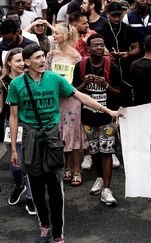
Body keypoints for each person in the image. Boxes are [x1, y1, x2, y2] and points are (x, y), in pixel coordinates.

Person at [7, 43, 120, 243]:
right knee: (36, 188)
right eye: (37, 58)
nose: (42, 61)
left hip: (52, 137)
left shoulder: (55, 79)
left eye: (43, 56)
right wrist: (14, 150)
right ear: (26, 62)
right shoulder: (16, 85)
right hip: (30, 138)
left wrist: (108, 111)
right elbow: (14, 117)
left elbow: (81, 97)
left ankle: (58, 233)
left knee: (55, 187)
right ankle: (44, 226)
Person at [72, 34, 122, 206]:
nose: (99, 48)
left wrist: (105, 86)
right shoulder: (81, 66)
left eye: (102, 45)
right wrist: (85, 84)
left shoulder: (111, 67)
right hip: (88, 117)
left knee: (107, 151)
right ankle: (100, 178)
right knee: (94, 151)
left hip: (107, 117)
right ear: (89, 48)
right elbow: (73, 91)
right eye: (95, 45)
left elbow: (120, 91)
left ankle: (107, 189)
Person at [45, 23, 87, 187]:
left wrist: (71, 90)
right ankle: (66, 168)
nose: (54, 36)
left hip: (71, 99)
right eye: (53, 33)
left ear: (66, 35)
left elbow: (79, 79)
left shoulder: (76, 56)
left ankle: (77, 170)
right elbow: (47, 75)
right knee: (60, 134)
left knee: (73, 134)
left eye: (56, 33)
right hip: (56, 99)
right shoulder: (50, 54)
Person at [1, 48, 36, 216]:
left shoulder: (33, 78)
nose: (22, 64)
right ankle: (19, 185)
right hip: (11, 124)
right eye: (17, 61)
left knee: (28, 163)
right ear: (9, 63)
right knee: (16, 164)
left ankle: (31, 197)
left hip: (30, 123)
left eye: (24, 60)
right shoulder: (3, 82)